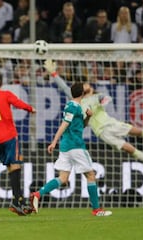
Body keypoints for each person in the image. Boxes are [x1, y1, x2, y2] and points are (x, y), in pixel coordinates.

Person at [44, 59, 143, 168]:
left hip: (111, 123)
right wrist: (54, 73)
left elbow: (106, 99)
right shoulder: (78, 102)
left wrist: (101, 101)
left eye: (87, 84)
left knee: (138, 132)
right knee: (129, 149)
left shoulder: (97, 96)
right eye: (85, 84)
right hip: (101, 132)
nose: (87, 84)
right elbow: (65, 87)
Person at [30, 82, 112, 217]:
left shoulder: (75, 106)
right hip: (76, 146)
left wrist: (89, 116)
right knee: (90, 175)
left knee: (63, 178)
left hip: (66, 147)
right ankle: (96, 210)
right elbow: (64, 124)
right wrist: (54, 141)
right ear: (82, 94)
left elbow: (80, 126)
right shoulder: (73, 107)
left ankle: (37, 194)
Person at [0, 71, 36, 216]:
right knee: (15, 165)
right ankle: (17, 200)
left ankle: (19, 200)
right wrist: (30, 109)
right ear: (1, 82)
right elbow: (18, 103)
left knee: (4, 168)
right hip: (9, 136)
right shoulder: (5, 94)